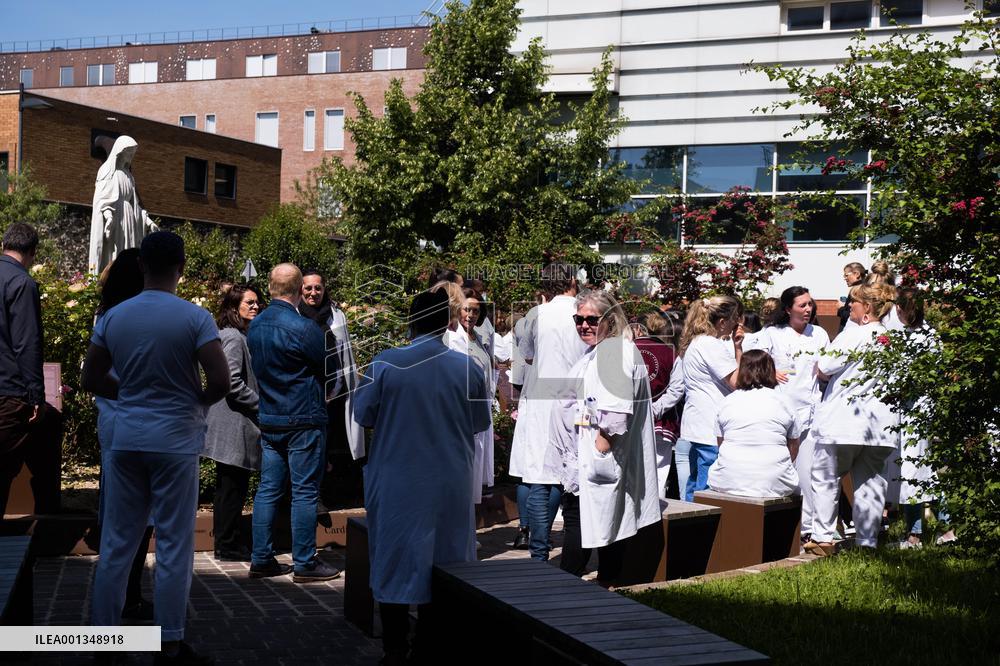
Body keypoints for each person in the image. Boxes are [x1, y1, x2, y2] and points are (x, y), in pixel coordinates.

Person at [82, 231, 229, 664]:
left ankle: (104, 641)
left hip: (126, 439)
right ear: (181, 267)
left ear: (142, 265)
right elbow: (220, 381)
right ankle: (168, 641)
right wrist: (194, 401)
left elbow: (92, 378)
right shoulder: (195, 318)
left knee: (117, 544)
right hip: (175, 441)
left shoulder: (114, 317)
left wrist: (128, 394)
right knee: (173, 545)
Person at [353, 289, 490, 665]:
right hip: (449, 478)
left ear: (410, 323)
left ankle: (395, 649)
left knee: (395, 560)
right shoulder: (468, 368)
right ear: (448, 322)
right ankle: (430, 647)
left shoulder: (385, 364)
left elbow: (363, 415)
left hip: (398, 478)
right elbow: (480, 424)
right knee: (446, 560)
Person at [550, 291, 660, 585]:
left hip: (597, 461)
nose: (583, 325)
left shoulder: (614, 352)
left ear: (610, 320)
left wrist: (599, 450)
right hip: (588, 460)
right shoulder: (601, 350)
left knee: (586, 527)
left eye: (591, 319)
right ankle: (602, 586)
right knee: (601, 530)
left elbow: (614, 414)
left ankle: (563, 592)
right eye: (579, 319)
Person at [247, 264, 340, 582]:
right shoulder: (304, 328)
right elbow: (331, 371)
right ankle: (305, 562)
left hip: (271, 416)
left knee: (269, 489)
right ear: (300, 289)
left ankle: (261, 558)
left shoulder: (255, 326)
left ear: (270, 286)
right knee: (304, 491)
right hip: (303, 416)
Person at [806, 283, 900, 556]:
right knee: (871, 482)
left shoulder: (855, 334)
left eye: (854, 303)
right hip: (880, 426)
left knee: (826, 478)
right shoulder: (891, 340)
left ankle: (823, 538)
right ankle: (867, 542)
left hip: (843, 422)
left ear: (867, 308)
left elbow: (824, 368)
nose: (849, 307)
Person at [509, 264, 590, 561]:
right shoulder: (585, 312)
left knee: (538, 476)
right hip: (575, 395)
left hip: (540, 398)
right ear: (571, 281)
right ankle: (571, 550)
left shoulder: (536, 314)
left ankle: (539, 550)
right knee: (564, 474)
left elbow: (527, 355)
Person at [92, 249, 154, 620]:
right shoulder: (129, 317)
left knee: (121, 520)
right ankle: (124, 601)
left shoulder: (106, 315)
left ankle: (122, 600)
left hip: (113, 425)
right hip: (134, 423)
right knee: (135, 521)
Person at [751, 286, 830, 543]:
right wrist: (770, 372)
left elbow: (826, 368)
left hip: (811, 412)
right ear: (787, 309)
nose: (808, 309)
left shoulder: (818, 334)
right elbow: (751, 360)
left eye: (810, 304)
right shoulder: (772, 334)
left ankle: (806, 528)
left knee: (806, 472)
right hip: (779, 413)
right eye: (802, 305)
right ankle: (774, 526)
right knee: (778, 468)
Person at [0, 223, 62, 519]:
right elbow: (27, 343)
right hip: (10, 393)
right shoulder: (22, 283)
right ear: (32, 252)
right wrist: (36, 395)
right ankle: (47, 519)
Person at [203, 284, 263, 562]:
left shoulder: (238, 336)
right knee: (230, 486)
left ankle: (229, 541)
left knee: (233, 485)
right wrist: (262, 405)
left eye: (257, 302)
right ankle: (227, 545)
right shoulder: (233, 338)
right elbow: (232, 382)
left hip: (234, 423)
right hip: (232, 424)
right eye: (248, 303)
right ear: (234, 307)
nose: (255, 306)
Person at [299, 270, 365, 509]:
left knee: (332, 445)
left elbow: (344, 355)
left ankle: (332, 494)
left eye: (318, 288)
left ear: (324, 289)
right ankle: (312, 498)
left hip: (335, 392)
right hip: (305, 393)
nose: (313, 292)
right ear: (300, 289)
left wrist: (336, 389)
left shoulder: (336, 315)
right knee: (310, 447)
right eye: (308, 288)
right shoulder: (295, 314)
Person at [677, 295, 744, 500]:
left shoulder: (696, 342)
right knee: (707, 488)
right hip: (709, 427)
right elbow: (737, 382)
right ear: (722, 322)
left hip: (697, 423)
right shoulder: (709, 344)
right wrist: (738, 348)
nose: (737, 325)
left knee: (695, 483)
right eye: (735, 320)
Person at [708, 350, 801, 497]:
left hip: (727, 480)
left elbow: (721, 443)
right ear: (770, 371)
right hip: (776, 481)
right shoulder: (785, 401)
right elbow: (794, 445)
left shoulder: (726, 402)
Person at [444, 287, 495, 503]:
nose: (470, 315)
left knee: (474, 475)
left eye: (475, 311)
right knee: (462, 474)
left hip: (480, 413)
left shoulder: (479, 338)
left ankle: (469, 530)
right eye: (466, 310)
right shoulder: (450, 338)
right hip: (461, 414)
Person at [88, 135, 159, 274]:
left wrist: (148, 221)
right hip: (116, 218)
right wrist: (108, 217)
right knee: (115, 251)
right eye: (129, 152)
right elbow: (103, 199)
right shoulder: (107, 171)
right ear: (120, 152)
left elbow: (136, 206)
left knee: (129, 251)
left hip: (130, 218)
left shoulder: (129, 176)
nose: (131, 156)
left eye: (133, 153)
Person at [634, 311, 682, 501]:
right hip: (661, 422)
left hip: (631, 420)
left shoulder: (628, 349)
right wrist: (655, 409)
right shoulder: (672, 354)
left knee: (634, 472)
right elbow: (677, 390)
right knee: (659, 474)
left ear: (639, 328)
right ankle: (656, 521)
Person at [837, 262, 867, 332]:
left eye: (846, 275)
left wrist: (841, 308)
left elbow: (852, 316)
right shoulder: (862, 288)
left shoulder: (859, 290)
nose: (845, 278)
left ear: (857, 274)